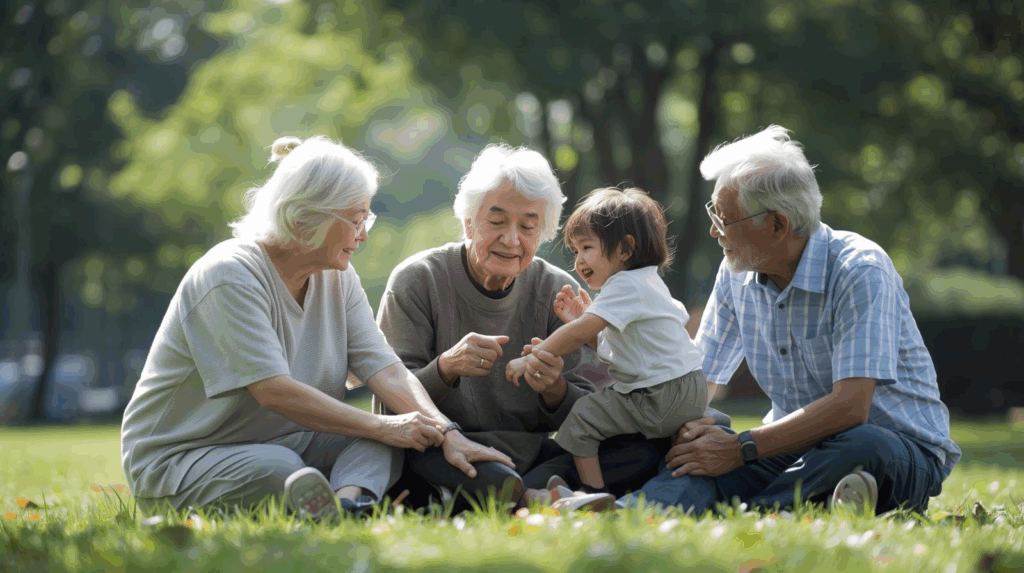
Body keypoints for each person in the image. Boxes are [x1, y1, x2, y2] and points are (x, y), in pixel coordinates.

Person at [120, 135, 512, 519]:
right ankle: (333, 500)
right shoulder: (229, 275)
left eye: (367, 217)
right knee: (282, 466)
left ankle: (348, 504)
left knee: (379, 437)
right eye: (357, 219)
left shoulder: (337, 276)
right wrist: (384, 425)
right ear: (305, 218)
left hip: (284, 442)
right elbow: (273, 391)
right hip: (182, 460)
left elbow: (385, 367)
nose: (365, 233)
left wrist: (447, 433)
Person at [620, 125, 961, 516]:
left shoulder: (860, 269)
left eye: (724, 217)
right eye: (713, 212)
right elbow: (699, 379)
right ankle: (632, 510)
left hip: (895, 448)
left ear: (778, 225)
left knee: (863, 446)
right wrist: (690, 434)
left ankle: (758, 511)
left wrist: (739, 448)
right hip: (786, 448)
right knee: (697, 452)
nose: (714, 230)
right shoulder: (736, 270)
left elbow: (851, 407)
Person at [376, 144, 730, 512]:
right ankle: (536, 496)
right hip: (449, 448)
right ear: (467, 221)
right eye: (496, 222)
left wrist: (555, 389)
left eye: (528, 226)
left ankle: (532, 495)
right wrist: (445, 368)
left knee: (647, 442)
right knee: (436, 456)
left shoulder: (557, 290)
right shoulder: (417, 280)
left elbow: (585, 416)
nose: (512, 239)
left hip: (534, 455)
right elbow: (389, 403)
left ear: (542, 233)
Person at [505, 187, 709, 510]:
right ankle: (595, 487)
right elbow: (611, 343)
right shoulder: (647, 281)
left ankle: (592, 493)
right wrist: (585, 321)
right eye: (575, 251)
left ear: (626, 249)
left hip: (659, 394)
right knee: (607, 423)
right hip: (687, 388)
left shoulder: (624, 285)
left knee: (583, 417)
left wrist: (535, 354)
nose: (579, 260)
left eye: (587, 247)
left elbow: (581, 332)